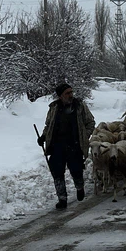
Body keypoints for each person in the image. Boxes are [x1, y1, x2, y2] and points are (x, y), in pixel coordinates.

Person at [38, 82, 96, 210]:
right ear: (60, 96)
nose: (71, 95)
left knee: (76, 170)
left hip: (74, 144)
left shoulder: (79, 106)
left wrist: (84, 136)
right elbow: (49, 125)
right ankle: (62, 198)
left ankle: (79, 187)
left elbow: (90, 122)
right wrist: (43, 137)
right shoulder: (54, 108)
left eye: (71, 92)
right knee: (57, 172)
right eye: (67, 93)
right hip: (57, 145)